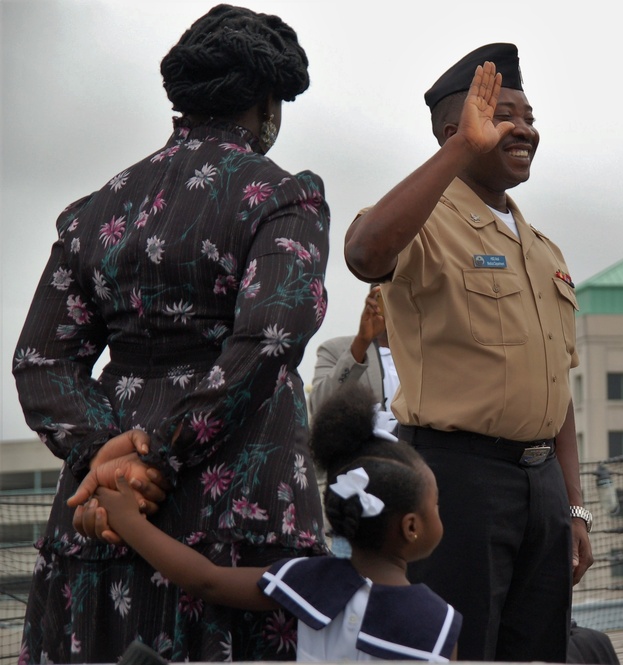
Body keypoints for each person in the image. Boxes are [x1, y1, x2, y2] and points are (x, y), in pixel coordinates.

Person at [10, 5, 330, 662]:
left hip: (103, 516)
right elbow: (269, 337)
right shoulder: (282, 198)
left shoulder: (93, 211)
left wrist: (111, 456)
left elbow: (42, 359)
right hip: (237, 513)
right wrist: (157, 457)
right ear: (267, 105)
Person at [343, 43, 592, 662]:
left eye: (531, 117)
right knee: (460, 650)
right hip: (456, 479)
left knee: (540, 650)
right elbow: (364, 254)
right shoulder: (424, 224)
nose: (527, 130)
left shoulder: (543, 249)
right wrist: (455, 157)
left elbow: (556, 387)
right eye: (506, 115)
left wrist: (574, 504)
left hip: (541, 489)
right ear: (457, 131)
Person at [89, 385, 462, 662]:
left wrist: (128, 521)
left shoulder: (312, 581)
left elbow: (207, 580)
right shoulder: (439, 622)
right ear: (411, 527)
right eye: (437, 505)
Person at [310, 285, 398, 430]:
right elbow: (320, 406)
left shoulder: (427, 355)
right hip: (366, 450)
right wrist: (362, 343)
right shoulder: (336, 350)